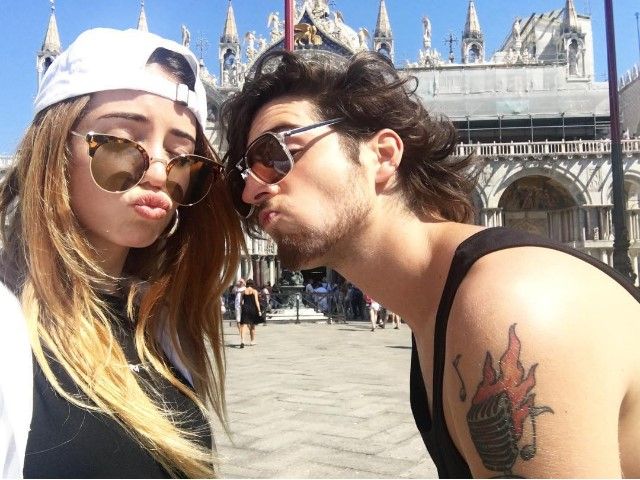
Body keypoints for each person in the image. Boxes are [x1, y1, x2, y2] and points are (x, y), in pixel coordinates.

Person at [220, 49, 640, 478]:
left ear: (383, 155)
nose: (252, 191)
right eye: (244, 175)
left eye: (276, 154)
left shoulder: (510, 304)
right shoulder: (437, 308)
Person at [0, 28, 245, 478]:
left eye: (181, 155)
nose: (159, 173)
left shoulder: (163, 328)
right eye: (123, 141)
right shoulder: (8, 327)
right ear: (56, 149)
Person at [239, 279, 262, 347]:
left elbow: (240, 302)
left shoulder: (243, 292)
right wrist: (259, 311)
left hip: (245, 308)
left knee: (243, 325)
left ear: (246, 284)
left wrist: (242, 309)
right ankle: (252, 341)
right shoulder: (254, 291)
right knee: (252, 325)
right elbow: (256, 301)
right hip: (252, 309)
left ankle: (242, 341)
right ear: (252, 284)